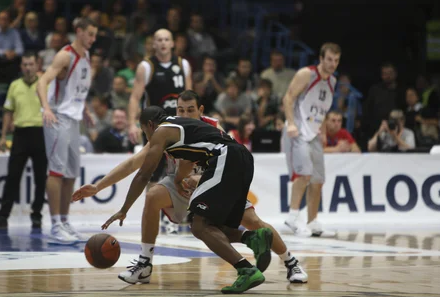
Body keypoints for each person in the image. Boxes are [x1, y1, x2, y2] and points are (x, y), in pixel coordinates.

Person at [73, 91, 307, 286]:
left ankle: (289, 261)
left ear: (200, 110)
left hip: (211, 177)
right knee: (154, 195)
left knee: (248, 219)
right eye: (180, 109)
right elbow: (135, 163)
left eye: (189, 109)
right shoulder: (166, 130)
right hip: (180, 183)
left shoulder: (210, 126)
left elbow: (221, 157)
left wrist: (198, 178)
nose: (184, 113)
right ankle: (144, 263)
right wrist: (98, 186)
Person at [99, 106, 268, 294]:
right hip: (242, 159)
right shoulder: (180, 125)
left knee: (199, 226)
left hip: (225, 158)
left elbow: (143, 175)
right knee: (209, 225)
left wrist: (124, 209)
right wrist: (178, 179)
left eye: (144, 131)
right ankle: (252, 237)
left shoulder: (161, 131)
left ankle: (246, 269)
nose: (146, 136)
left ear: (149, 124)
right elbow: (188, 161)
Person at [36, 17, 98, 244]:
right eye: (90, 34)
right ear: (79, 31)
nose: (93, 39)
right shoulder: (65, 55)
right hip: (58, 117)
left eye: (94, 35)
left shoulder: (87, 56)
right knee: (56, 171)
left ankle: (64, 221)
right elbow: (41, 82)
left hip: (73, 118)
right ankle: (54, 226)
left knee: (71, 173)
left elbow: (77, 89)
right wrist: (46, 108)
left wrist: (85, 110)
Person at [283, 43, 340, 238]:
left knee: (318, 179)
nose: (333, 64)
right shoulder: (306, 74)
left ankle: (313, 221)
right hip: (297, 130)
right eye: (330, 59)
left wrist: (323, 132)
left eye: (336, 60)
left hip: (314, 133)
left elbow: (322, 111)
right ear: (321, 59)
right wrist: (291, 124)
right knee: (304, 175)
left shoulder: (332, 81)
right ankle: (292, 216)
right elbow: (288, 98)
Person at [0, 52, 48, 230]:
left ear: (37, 65)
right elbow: (8, 111)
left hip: (41, 132)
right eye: (25, 65)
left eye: (31, 64)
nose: (28, 68)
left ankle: (36, 215)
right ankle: (3, 216)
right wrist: (4, 135)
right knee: (12, 176)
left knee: (40, 179)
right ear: (21, 67)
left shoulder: (45, 83)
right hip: (20, 134)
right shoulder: (15, 85)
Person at [127, 28, 192, 145]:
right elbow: (135, 98)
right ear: (154, 44)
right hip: (154, 125)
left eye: (166, 40)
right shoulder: (146, 66)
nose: (163, 43)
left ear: (172, 43)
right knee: (156, 162)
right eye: (159, 40)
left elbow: (191, 98)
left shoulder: (183, 64)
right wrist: (132, 124)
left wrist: (194, 121)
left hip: (179, 123)